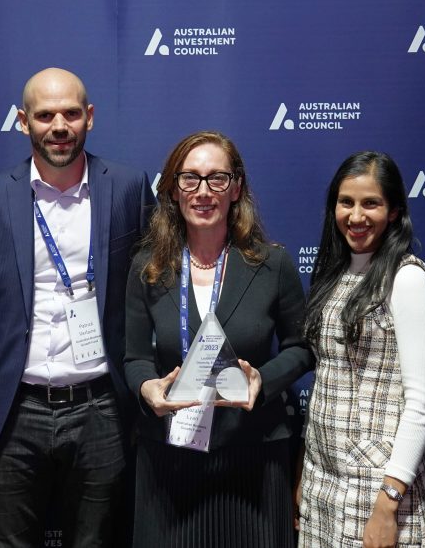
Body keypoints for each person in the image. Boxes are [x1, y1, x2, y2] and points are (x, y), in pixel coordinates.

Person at [0, 67, 154, 547]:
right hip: (13, 412)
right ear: (24, 122)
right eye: (44, 115)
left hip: (102, 407)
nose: (58, 125)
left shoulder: (127, 187)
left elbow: (150, 295)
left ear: (90, 117)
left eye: (70, 113)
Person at [123, 130, 314, 547]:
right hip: (171, 458)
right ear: (173, 190)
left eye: (217, 178)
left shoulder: (273, 264)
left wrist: (262, 381)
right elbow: (134, 357)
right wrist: (146, 387)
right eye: (189, 178)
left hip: (254, 454)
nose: (203, 191)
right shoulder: (149, 267)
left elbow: (301, 348)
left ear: (236, 188)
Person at [297, 151, 425, 547]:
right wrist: (305, 474)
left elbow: (421, 404)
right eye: (347, 203)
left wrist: (388, 502)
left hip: (379, 486)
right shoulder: (333, 272)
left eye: (371, 203)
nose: (356, 216)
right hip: (322, 480)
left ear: (393, 211)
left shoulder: (407, 279)